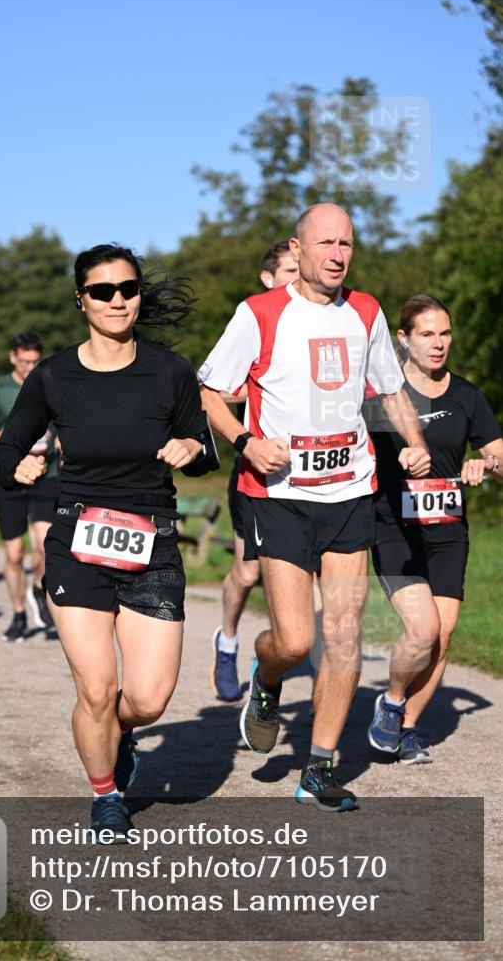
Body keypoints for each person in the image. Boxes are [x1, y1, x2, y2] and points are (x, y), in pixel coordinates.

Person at [198, 203, 431, 811]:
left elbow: (388, 390)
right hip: (279, 497)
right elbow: (210, 396)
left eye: (346, 244)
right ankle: (266, 678)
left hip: (350, 489)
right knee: (295, 640)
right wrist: (247, 442)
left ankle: (319, 769)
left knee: (345, 634)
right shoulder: (258, 314)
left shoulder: (368, 311)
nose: (336, 254)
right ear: (297, 251)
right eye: (324, 243)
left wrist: (415, 444)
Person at [0, 244, 211, 840]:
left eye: (128, 289)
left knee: (147, 698)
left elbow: (202, 446)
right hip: (77, 537)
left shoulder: (170, 370)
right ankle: (106, 794)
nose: (118, 300)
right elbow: (8, 448)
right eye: (103, 291)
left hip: (152, 540)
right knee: (97, 688)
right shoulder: (53, 375)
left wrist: (192, 449)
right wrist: (18, 470)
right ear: (81, 300)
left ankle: (120, 734)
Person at [366, 295, 503, 762]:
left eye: (444, 333)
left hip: (447, 529)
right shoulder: (379, 397)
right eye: (427, 334)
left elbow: (501, 456)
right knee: (422, 630)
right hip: (393, 529)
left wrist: (485, 462)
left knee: (442, 638)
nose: (438, 343)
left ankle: (404, 727)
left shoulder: (466, 395)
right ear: (403, 339)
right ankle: (390, 699)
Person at [212, 241, 299, 701]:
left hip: (310, 476)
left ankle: (277, 653)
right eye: (288, 270)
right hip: (256, 470)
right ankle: (227, 640)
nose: (296, 277)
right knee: (248, 574)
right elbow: (211, 389)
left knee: (297, 575)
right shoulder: (253, 320)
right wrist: (258, 391)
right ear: (267, 277)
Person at [0, 334, 60, 641]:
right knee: (14, 554)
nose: (29, 368)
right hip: (9, 478)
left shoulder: (51, 382)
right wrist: (14, 436)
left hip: (46, 475)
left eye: (34, 362)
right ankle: (18, 613)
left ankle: (40, 591)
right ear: (13, 358)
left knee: (45, 544)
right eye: (24, 362)